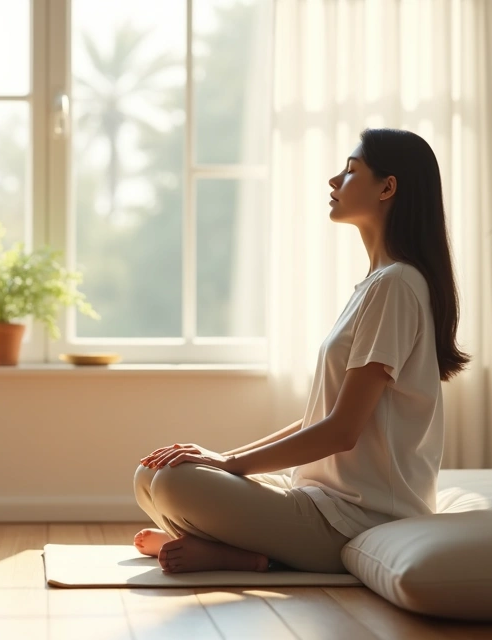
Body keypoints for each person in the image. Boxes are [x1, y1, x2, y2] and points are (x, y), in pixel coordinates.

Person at [132, 128, 470, 574]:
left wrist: (230, 463)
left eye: (350, 171)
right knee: (150, 475)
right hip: (317, 499)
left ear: (388, 187)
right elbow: (323, 418)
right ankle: (238, 552)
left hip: (356, 519)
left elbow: (342, 431)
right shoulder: (376, 284)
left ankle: (240, 554)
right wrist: (224, 460)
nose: (334, 181)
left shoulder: (397, 285)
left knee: (174, 483)